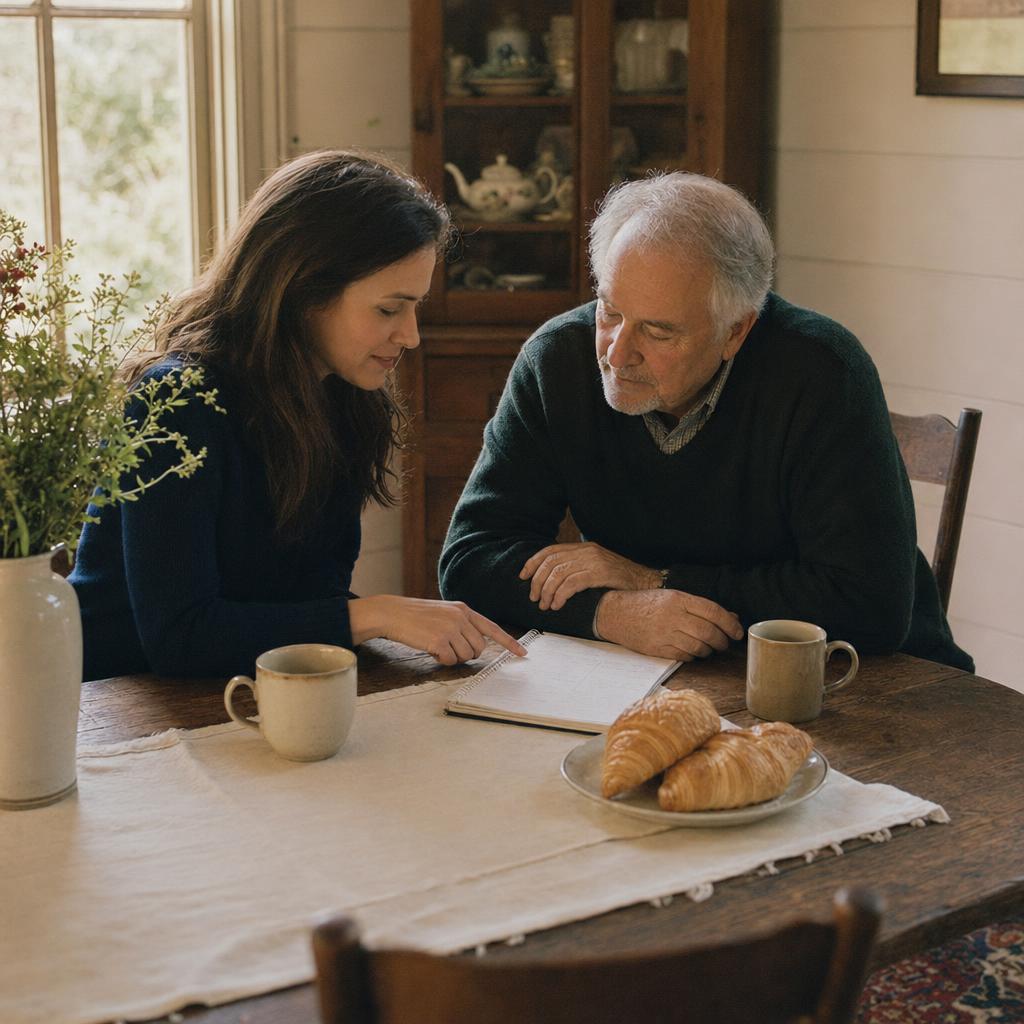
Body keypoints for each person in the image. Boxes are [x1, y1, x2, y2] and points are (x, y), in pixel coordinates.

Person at [439, 172, 972, 671]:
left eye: (659, 332)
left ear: (735, 332)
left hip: (871, 676)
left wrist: (653, 581)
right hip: (653, 669)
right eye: (610, 311)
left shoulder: (824, 372)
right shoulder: (556, 360)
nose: (617, 354)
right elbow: (470, 561)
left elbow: (869, 605)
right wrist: (611, 613)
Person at [71, 149, 525, 681]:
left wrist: (395, 621)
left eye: (415, 307)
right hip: (113, 700)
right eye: (389, 308)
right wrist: (377, 614)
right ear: (304, 291)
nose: (411, 336)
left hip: (239, 687)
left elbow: (310, 598)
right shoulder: (176, 401)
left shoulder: (346, 399)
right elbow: (181, 638)